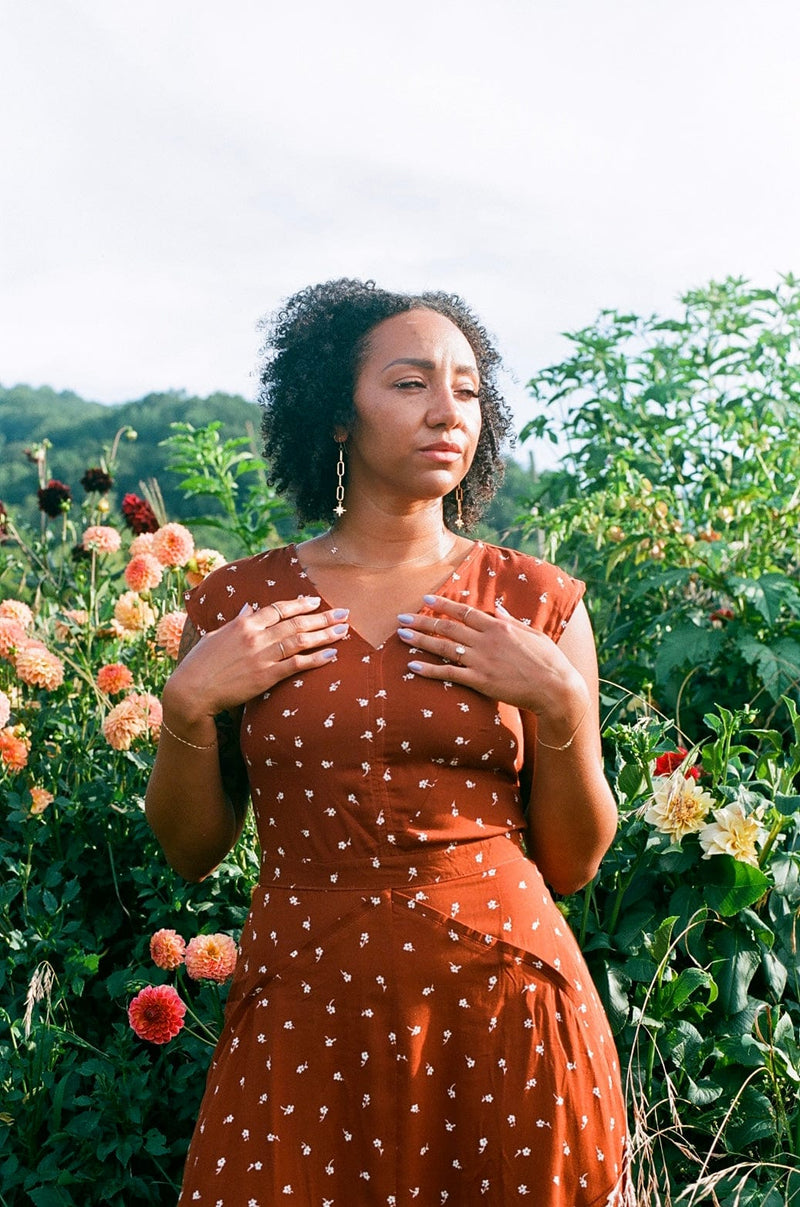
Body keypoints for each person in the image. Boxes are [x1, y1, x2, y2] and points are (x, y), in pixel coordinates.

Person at [145, 279, 633, 1206]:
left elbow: (573, 862)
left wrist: (560, 703)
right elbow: (189, 849)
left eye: (467, 388)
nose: (448, 409)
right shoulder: (237, 607)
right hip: (301, 1014)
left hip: (506, 1013)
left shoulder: (537, 604)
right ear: (337, 413)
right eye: (410, 383)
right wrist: (187, 700)